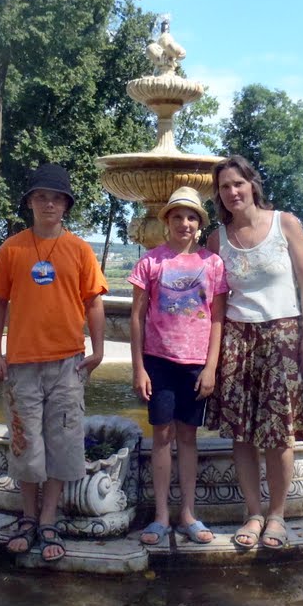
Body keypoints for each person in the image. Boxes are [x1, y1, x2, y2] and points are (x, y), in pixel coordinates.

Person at [0, 163, 107, 562]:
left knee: (63, 442)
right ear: (30, 203)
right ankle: (28, 516)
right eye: (41, 197)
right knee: (25, 442)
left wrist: (98, 351)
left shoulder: (80, 250)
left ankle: (49, 517)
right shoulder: (13, 249)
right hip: (22, 364)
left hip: (68, 364)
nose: (49, 204)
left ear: (66, 205)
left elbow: (94, 302)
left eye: (57, 198)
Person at [206, 155, 303, 551]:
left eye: (237, 183)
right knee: (241, 434)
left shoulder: (285, 224)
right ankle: (253, 514)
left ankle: (277, 515)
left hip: (282, 337)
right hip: (237, 339)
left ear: (252, 184)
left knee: (279, 434)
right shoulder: (217, 239)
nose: (232, 191)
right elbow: (217, 301)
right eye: (224, 186)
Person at [128, 187, 228, 546]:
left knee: (188, 437)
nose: (184, 223)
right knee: (161, 436)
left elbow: (217, 318)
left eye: (191, 218)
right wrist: (138, 368)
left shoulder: (212, 264)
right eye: (177, 217)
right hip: (159, 362)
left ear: (199, 224)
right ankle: (160, 516)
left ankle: (187, 513)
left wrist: (211, 367)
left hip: (195, 364)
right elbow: (136, 317)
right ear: (167, 222)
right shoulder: (151, 262)